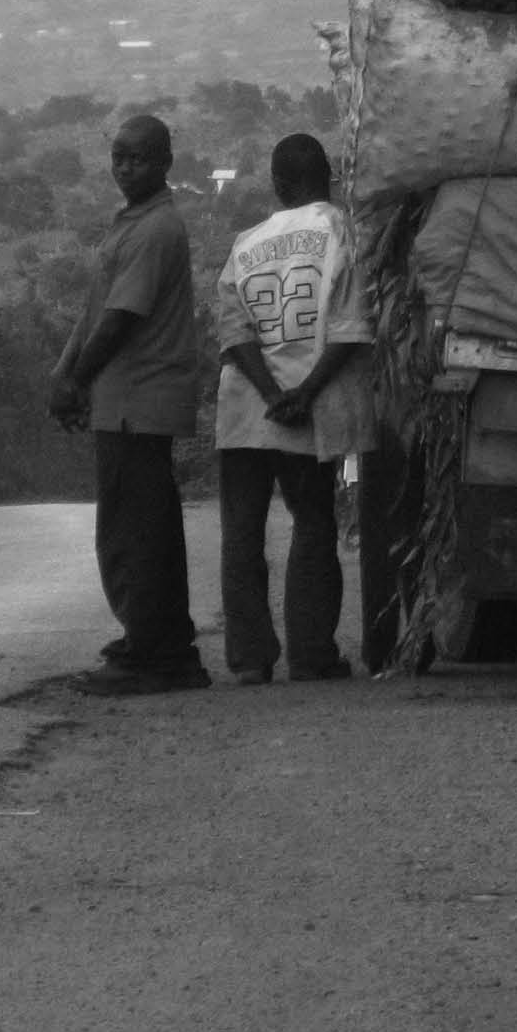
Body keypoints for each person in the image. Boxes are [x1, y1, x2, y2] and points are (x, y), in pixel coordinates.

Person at [49, 115, 210, 696]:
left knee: (137, 531)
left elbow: (121, 319)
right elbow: (96, 311)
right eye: (118, 157)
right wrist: (67, 375)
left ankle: (156, 652)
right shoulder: (129, 225)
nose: (124, 168)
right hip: (120, 398)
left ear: (165, 161)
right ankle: (156, 641)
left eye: (138, 158)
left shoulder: (154, 230)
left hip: (141, 398)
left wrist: (78, 379)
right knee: (136, 525)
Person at [213, 133, 373, 685]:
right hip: (306, 409)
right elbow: (351, 330)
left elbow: (233, 334)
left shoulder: (245, 242)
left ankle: (250, 659)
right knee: (312, 522)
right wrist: (302, 394)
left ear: (278, 185)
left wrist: (267, 392)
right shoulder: (340, 229)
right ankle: (310, 654)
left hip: (245, 408)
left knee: (241, 531)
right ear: (326, 176)